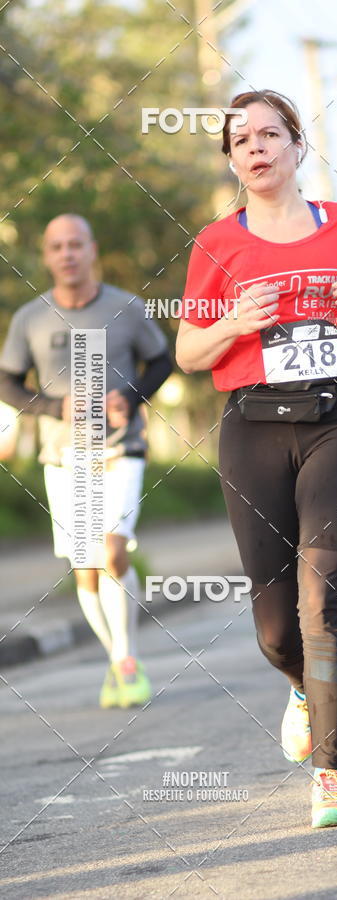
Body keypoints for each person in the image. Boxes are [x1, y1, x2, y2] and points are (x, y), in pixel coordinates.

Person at [176, 90, 337, 829]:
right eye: (240, 139)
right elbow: (187, 353)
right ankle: (304, 689)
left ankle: (331, 777)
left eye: (270, 133)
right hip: (253, 426)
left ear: (298, 147)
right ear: (232, 160)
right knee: (277, 629)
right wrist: (235, 322)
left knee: (323, 599)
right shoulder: (216, 244)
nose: (256, 147)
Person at [0, 214, 172, 707]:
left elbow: (161, 361)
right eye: (57, 247)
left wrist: (132, 398)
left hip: (121, 448)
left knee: (114, 550)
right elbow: (7, 381)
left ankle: (126, 661)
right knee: (87, 568)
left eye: (76, 244)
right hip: (63, 455)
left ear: (92, 249)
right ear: (47, 256)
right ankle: (119, 660)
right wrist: (54, 407)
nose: (67, 254)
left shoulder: (128, 308)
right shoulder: (29, 318)